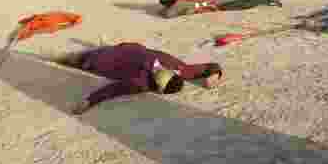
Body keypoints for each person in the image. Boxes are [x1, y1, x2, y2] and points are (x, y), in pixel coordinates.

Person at [57, 42, 223, 114]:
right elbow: (112, 90)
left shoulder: (177, 67)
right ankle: (67, 58)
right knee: (69, 60)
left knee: (75, 58)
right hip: (95, 60)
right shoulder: (140, 83)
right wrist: (89, 101)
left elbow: (211, 67)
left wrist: (214, 74)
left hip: (126, 47)